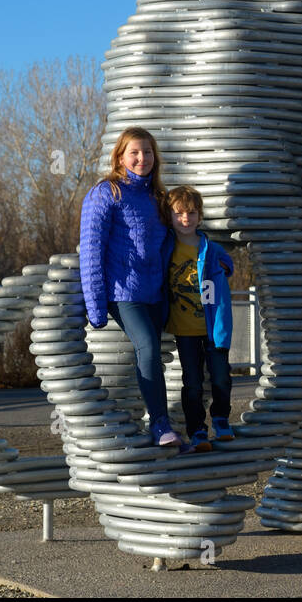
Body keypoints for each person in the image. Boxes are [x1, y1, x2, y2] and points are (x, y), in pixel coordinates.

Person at [78, 127, 180, 447]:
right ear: (120, 157)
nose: (142, 158)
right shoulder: (106, 193)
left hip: (154, 293)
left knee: (156, 352)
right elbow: (92, 248)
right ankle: (160, 425)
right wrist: (95, 305)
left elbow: (169, 247)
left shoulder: (158, 198)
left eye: (147, 152)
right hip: (123, 293)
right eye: (134, 152)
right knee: (148, 347)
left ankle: (173, 424)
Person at [163, 184, 235, 452]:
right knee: (192, 383)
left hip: (213, 326)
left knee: (220, 377)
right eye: (179, 213)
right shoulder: (166, 249)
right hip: (185, 329)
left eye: (192, 213)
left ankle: (221, 419)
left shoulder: (211, 248)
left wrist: (225, 268)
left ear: (200, 216)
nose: (186, 219)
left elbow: (228, 264)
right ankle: (197, 431)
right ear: (169, 216)